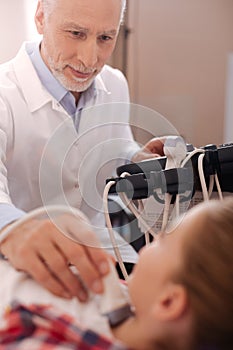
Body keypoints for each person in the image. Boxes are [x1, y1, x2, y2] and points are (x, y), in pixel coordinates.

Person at [0, 0, 165, 300]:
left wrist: (135, 156)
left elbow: (114, 144)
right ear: (40, 18)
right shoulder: (4, 95)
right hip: (21, 272)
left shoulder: (114, 84)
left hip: (99, 258)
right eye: (75, 33)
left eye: (105, 38)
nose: (90, 59)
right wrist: (13, 228)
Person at [0, 198, 232, 350]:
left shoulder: (55, 341)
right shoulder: (127, 295)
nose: (151, 241)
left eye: (162, 240)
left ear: (168, 302)